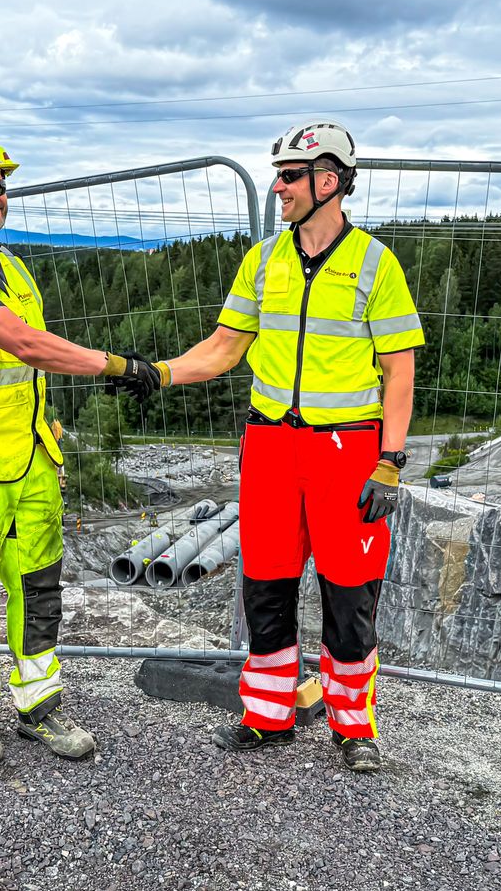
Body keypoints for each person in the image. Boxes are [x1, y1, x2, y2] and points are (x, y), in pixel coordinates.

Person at [122, 119, 424, 772]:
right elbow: (225, 348)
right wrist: (161, 372)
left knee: (350, 593)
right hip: (269, 448)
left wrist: (391, 461)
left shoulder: (376, 263)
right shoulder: (263, 261)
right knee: (266, 583)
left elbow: (399, 370)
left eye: (290, 176)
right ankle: (267, 715)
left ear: (329, 181)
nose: (278, 187)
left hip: (347, 452)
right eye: (278, 175)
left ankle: (354, 726)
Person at [0, 132, 152, 766]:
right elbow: (27, 345)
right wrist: (119, 366)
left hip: (32, 458)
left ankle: (39, 706)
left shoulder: (10, 266)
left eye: (0, 187)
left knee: (40, 590)